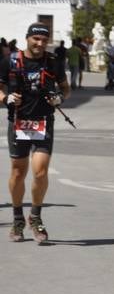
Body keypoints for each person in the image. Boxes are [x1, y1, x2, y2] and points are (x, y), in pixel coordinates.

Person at [0, 23, 70, 243]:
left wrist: (60, 98)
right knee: (18, 173)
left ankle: (36, 217)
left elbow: (65, 88)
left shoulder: (53, 62)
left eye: (44, 40)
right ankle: (18, 218)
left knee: (40, 172)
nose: (40, 44)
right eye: (36, 39)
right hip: (19, 122)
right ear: (27, 38)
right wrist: (6, 99)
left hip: (43, 122)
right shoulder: (10, 61)